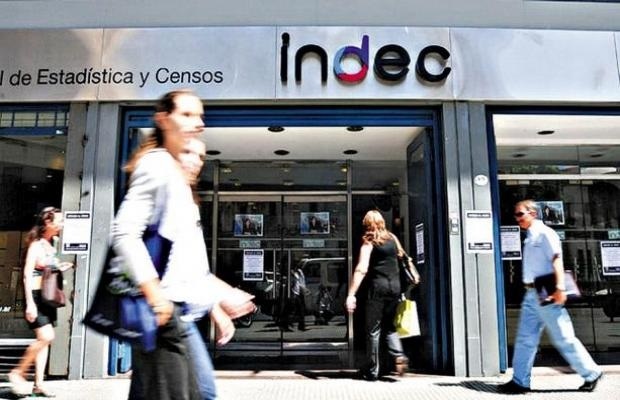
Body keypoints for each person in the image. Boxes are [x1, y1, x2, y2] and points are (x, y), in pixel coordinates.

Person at [114, 89, 234, 400]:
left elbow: (189, 265)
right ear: (163, 119)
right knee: (201, 393)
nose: (199, 123)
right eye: (188, 114)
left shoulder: (181, 189)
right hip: (164, 309)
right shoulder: (157, 165)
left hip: (174, 309)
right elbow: (124, 233)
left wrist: (217, 307)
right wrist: (156, 298)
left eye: (201, 116)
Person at [499, 200, 603, 394]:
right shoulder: (530, 236)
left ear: (533, 213)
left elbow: (557, 259)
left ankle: (592, 373)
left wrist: (560, 288)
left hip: (547, 292)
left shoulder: (546, 233)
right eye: (516, 215)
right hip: (531, 293)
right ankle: (520, 382)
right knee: (525, 339)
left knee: (563, 337)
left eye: (520, 214)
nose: (517, 218)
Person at [9, 207, 73, 397]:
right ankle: (18, 371)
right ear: (47, 222)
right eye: (59, 221)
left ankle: (38, 385)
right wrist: (30, 303)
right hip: (36, 297)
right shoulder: (36, 245)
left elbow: (45, 267)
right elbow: (27, 274)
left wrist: (60, 267)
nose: (62, 224)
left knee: (44, 341)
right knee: (46, 337)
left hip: (47, 298)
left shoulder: (50, 244)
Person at [345, 210, 415, 381]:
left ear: (367, 224)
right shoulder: (392, 238)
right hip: (395, 288)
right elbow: (402, 256)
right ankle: (399, 355)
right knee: (390, 325)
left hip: (377, 289)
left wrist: (351, 294)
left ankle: (372, 370)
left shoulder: (369, 242)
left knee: (373, 330)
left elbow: (362, 269)